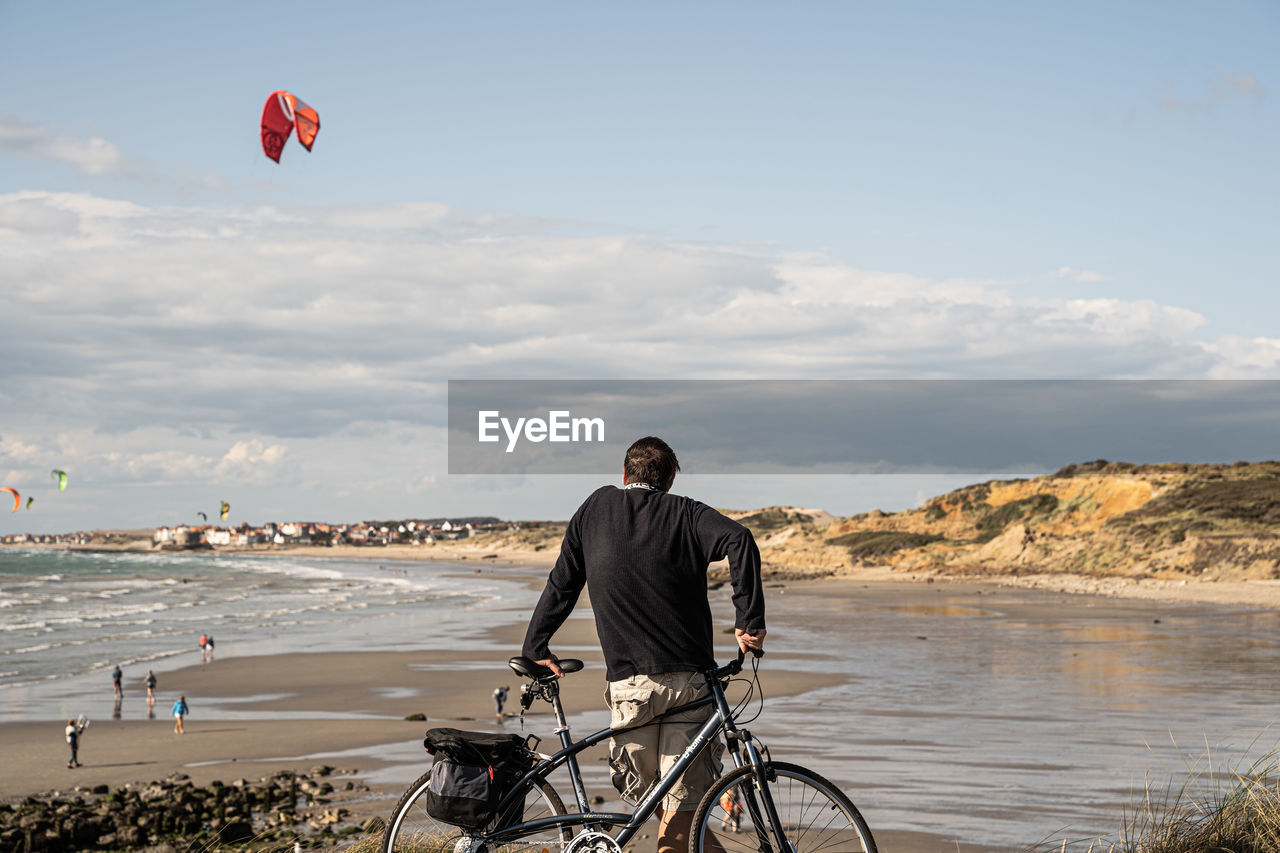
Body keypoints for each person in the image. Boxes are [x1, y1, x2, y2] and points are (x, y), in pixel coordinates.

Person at [522, 436, 766, 853]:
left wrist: (536, 644)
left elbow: (563, 582)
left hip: (629, 687)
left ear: (624, 475)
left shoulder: (596, 507)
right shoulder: (686, 512)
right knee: (679, 814)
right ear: (669, 479)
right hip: (688, 684)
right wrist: (749, 621)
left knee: (670, 810)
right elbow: (739, 539)